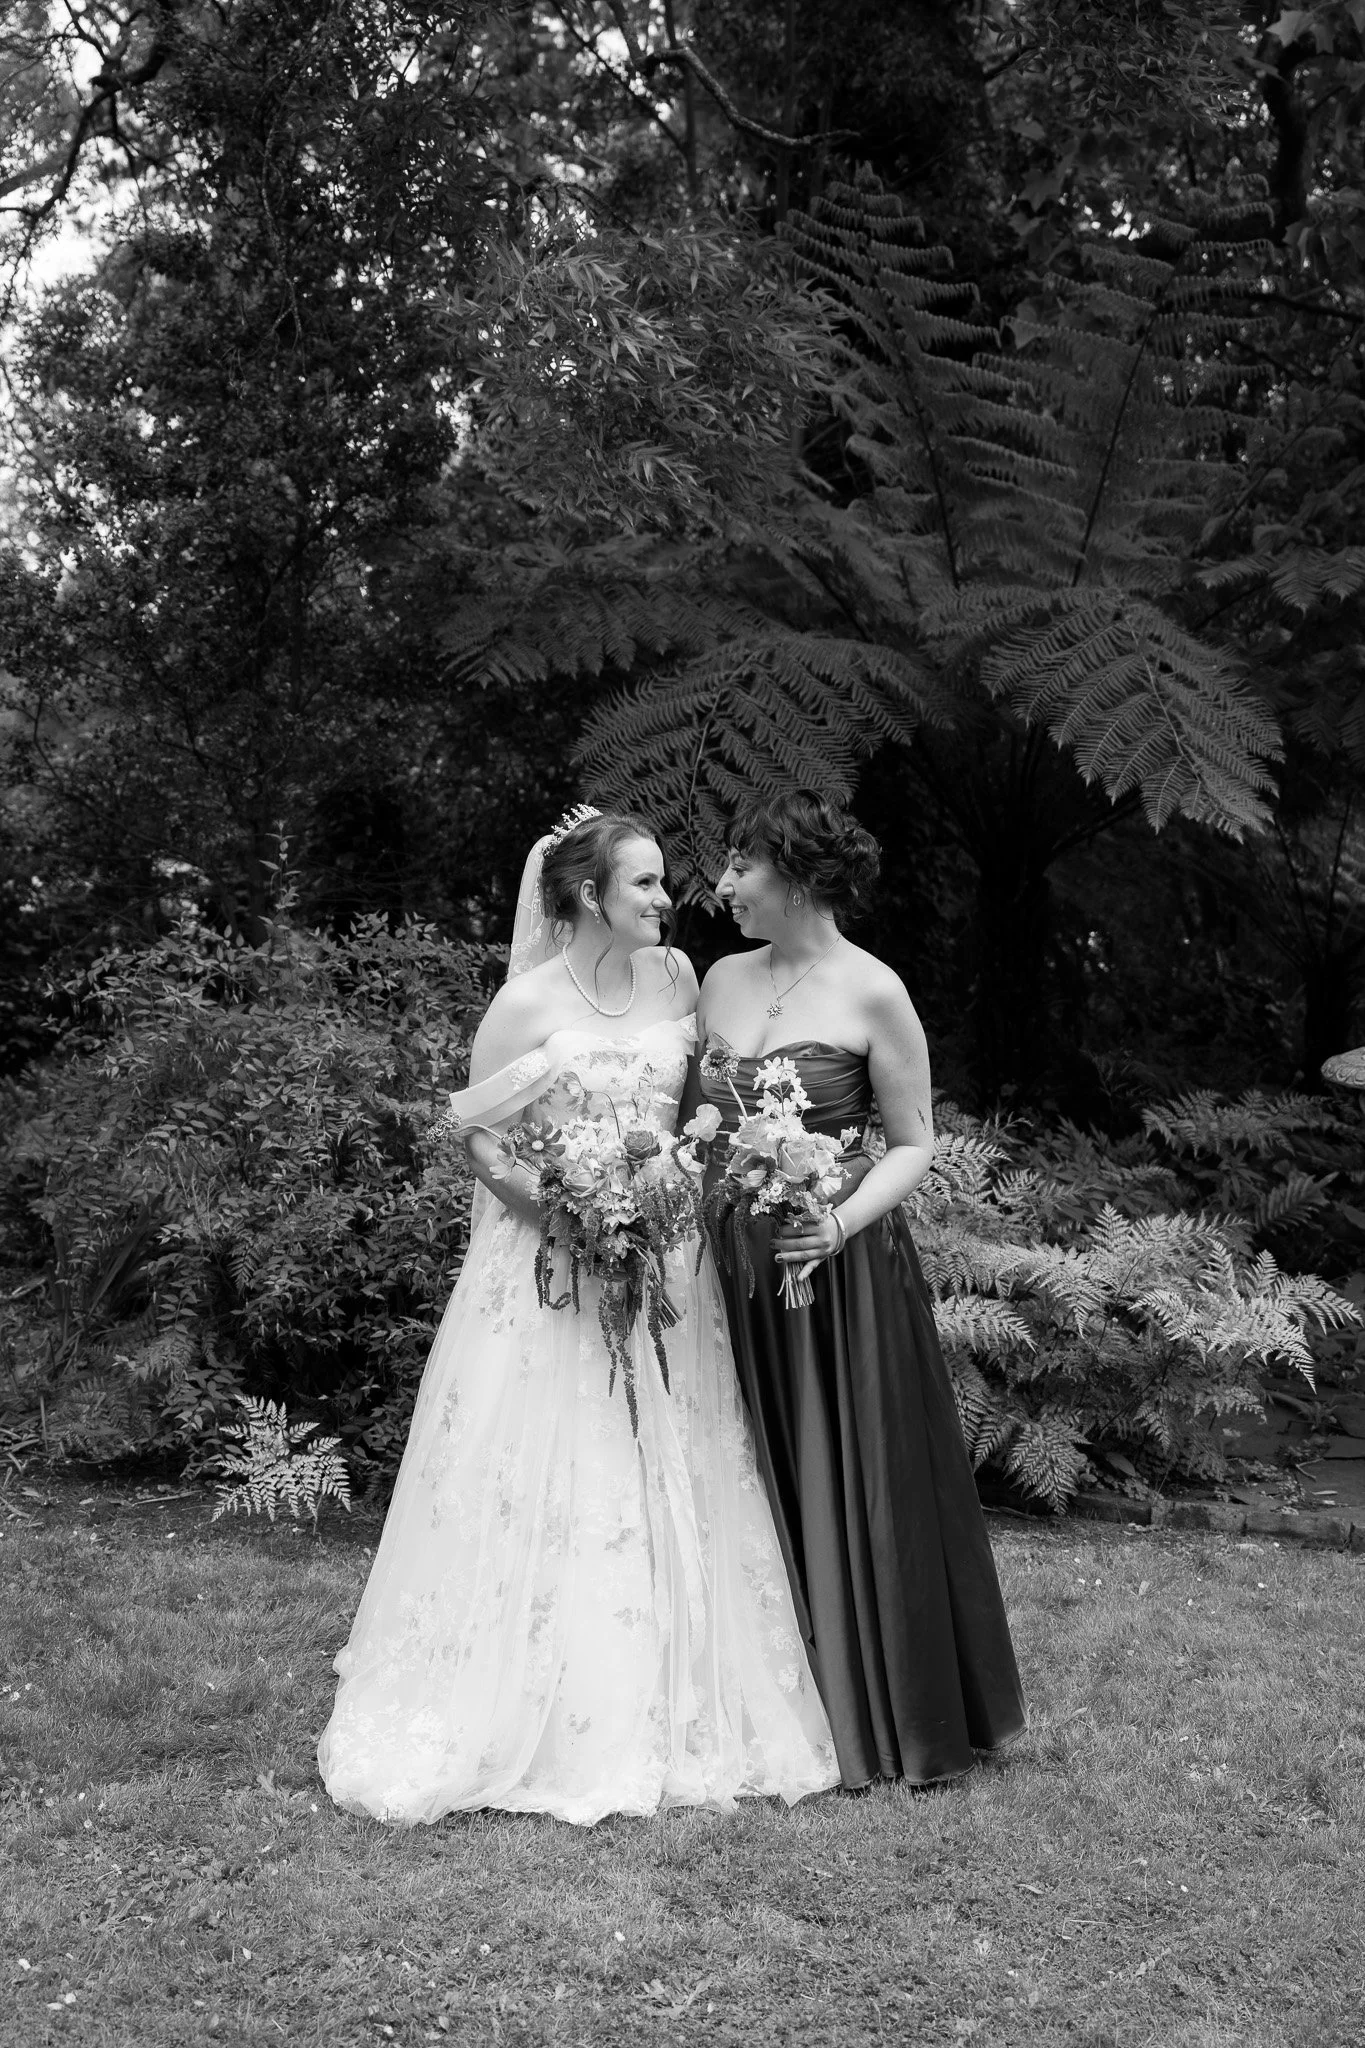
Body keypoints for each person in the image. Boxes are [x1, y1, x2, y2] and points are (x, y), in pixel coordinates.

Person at [317, 807, 838, 1825]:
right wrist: (569, 1215)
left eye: (661, 881)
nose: (665, 898)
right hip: (550, 1270)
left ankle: (676, 1693)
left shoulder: (678, 980)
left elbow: (696, 1114)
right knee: (557, 1462)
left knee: (669, 1455)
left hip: (668, 1267)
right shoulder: (525, 1004)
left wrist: (712, 1175)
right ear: (589, 895)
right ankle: (532, 1697)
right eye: (644, 882)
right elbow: (479, 1138)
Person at [692, 789, 1025, 1789]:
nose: (723, 883)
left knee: (845, 1468)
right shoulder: (719, 977)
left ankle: (868, 1707)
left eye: (742, 864)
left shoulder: (876, 990)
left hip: (834, 1271)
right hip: (725, 1264)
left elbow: (914, 1143)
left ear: (795, 877)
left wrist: (835, 1225)